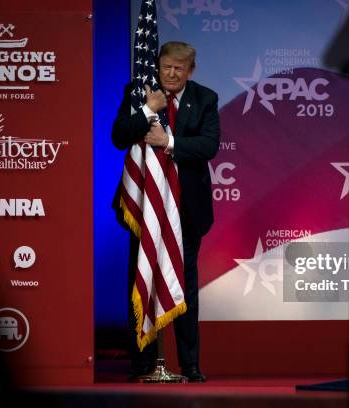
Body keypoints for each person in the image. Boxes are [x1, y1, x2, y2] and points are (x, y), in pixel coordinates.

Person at [111, 41, 220, 382]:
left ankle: (190, 365)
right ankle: (142, 365)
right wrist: (147, 109)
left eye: (178, 68)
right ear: (157, 66)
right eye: (166, 67)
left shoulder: (205, 98)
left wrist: (168, 143)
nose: (171, 74)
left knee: (183, 286)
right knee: (141, 279)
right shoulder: (138, 90)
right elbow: (118, 136)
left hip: (186, 209)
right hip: (144, 207)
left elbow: (208, 145)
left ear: (190, 71)